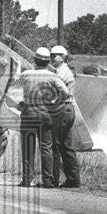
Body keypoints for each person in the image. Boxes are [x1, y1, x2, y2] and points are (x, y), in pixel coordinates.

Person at [18, 47, 72, 188]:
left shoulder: (26, 74)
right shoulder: (52, 76)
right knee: (46, 147)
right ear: (48, 61)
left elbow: (15, 83)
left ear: (35, 60)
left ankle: (26, 180)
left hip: (29, 112)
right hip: (46, 113)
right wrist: (54, 101)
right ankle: (48, 181)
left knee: (27, 147)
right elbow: (66, 93)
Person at [50, 45, 80, 188]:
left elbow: (55, 93)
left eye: (55, 55)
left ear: (62, 57)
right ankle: (73, 179)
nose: (52, 58)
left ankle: (53, 179)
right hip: (69, 110)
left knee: (54, 145)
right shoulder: (64, 71)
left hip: (61, 109)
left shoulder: (61, 74)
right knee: (67, 147)